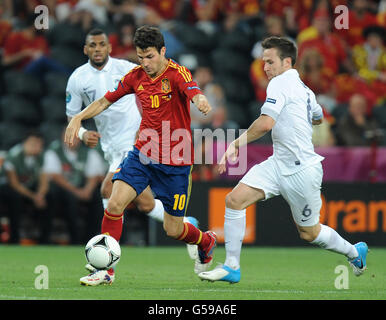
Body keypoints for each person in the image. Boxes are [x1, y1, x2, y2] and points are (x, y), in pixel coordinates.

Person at [198, 36, 368, 284]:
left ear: (287, 62)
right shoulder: (305, 90)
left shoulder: (280, 84)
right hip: (278, 163)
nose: (265, 67)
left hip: (301, 171)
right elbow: (319, 116)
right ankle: (232, 267)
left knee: (309, 233)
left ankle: (355, 252)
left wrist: (235, 143)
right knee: (234, 200)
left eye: (270, 61)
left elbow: (266, 123)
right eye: (263, 62)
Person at [65, 25, 216, 285]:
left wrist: (200, 101)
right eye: (140, 57)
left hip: (175, 162)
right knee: (113, 203)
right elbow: (104, 101)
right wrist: (78, 118)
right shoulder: (135, 77)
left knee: (174, 229)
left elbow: (193, 90)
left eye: (150, 57)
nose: (145, 63)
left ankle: (206, 241)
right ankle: (105, 271)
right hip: (142, 154)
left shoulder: (177, 73)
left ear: (163, 51)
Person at [43, 130, 106, 244]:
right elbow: (55, 176)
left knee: (99, 198)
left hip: (82, 188)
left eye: (76, 137)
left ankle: (92, 238)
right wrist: (76, 192)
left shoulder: (88, 152)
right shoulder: (54, 151)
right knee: (67, 199)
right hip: (62, 190)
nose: (73, 140)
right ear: (63, 137)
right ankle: (74, 239)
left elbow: (94, 175)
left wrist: (87, 191)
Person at [3, 131, 51, 244]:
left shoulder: (42, 156)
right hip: (12, 189)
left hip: (31, 189)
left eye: (40, 145)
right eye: (34, 144)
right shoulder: (13, 156)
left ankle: (45, 239)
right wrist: (34, 197)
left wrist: (40, 195)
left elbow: (44, 180)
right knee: (14, 198)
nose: (37, 147)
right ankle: (14, 239)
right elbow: (14, 183)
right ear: (24, 143)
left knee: (50, 196)